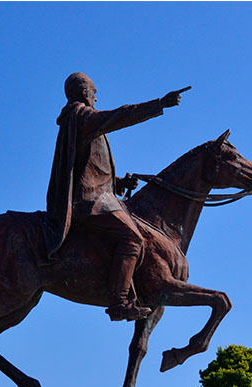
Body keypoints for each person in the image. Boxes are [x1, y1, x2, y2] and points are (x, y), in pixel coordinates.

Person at [45, 72, 189, 321]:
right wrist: (159, 104)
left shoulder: (78, 120)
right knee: (133, 239)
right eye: (93, 90)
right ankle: (120, 301)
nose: (96, 95)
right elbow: (120, 116)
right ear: (83, 92)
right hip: (90, 203)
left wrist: (119, 183)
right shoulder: (82, 116)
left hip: (102, 197)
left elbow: (86, 168)